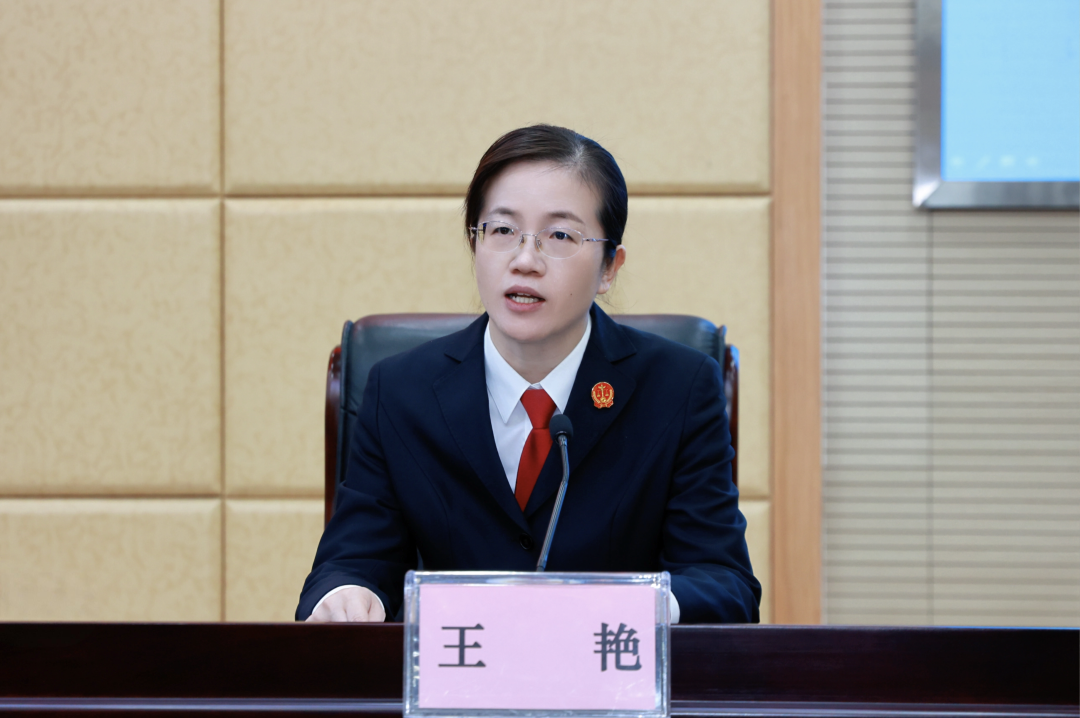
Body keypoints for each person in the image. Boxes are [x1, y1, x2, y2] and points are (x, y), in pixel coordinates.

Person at [297, 124, 760, 624]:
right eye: (501, 230)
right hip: (462, 669)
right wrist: (345, 594)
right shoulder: (400, 391)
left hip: (609, 668)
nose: (524, 260)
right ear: (474, 244)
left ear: (609, 267)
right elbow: (351, 561)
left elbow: (724, 583)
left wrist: (631, 608)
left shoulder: (678, 389)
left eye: (560, 235)